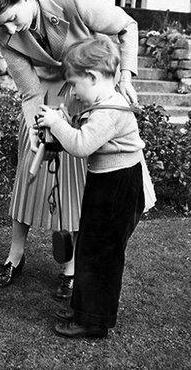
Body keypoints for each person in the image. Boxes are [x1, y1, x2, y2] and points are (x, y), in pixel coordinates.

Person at [0, 0, 140, 298]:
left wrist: (125, 76)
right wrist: (35, 128)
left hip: (84, 97)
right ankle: (14, 257)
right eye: (0, 24)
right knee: (29, 177)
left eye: (11, 18)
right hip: (44, 102)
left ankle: (70, 268)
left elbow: (126, 25)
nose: (8, 29)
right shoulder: (2, 29)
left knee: (75, 184)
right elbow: (29, 91)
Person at [36, 37, 156, 338]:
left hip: (119, 186)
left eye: (75, 84)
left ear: (92, 77)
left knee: (102, 253)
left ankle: (94, 320)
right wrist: (62, 126)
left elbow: (82, 144)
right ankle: (83, 308)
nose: (73, 91)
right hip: (107, 182)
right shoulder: (102, 105)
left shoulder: (111, 110)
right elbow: (81, 137)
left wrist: (56, 123)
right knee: (89, 247)